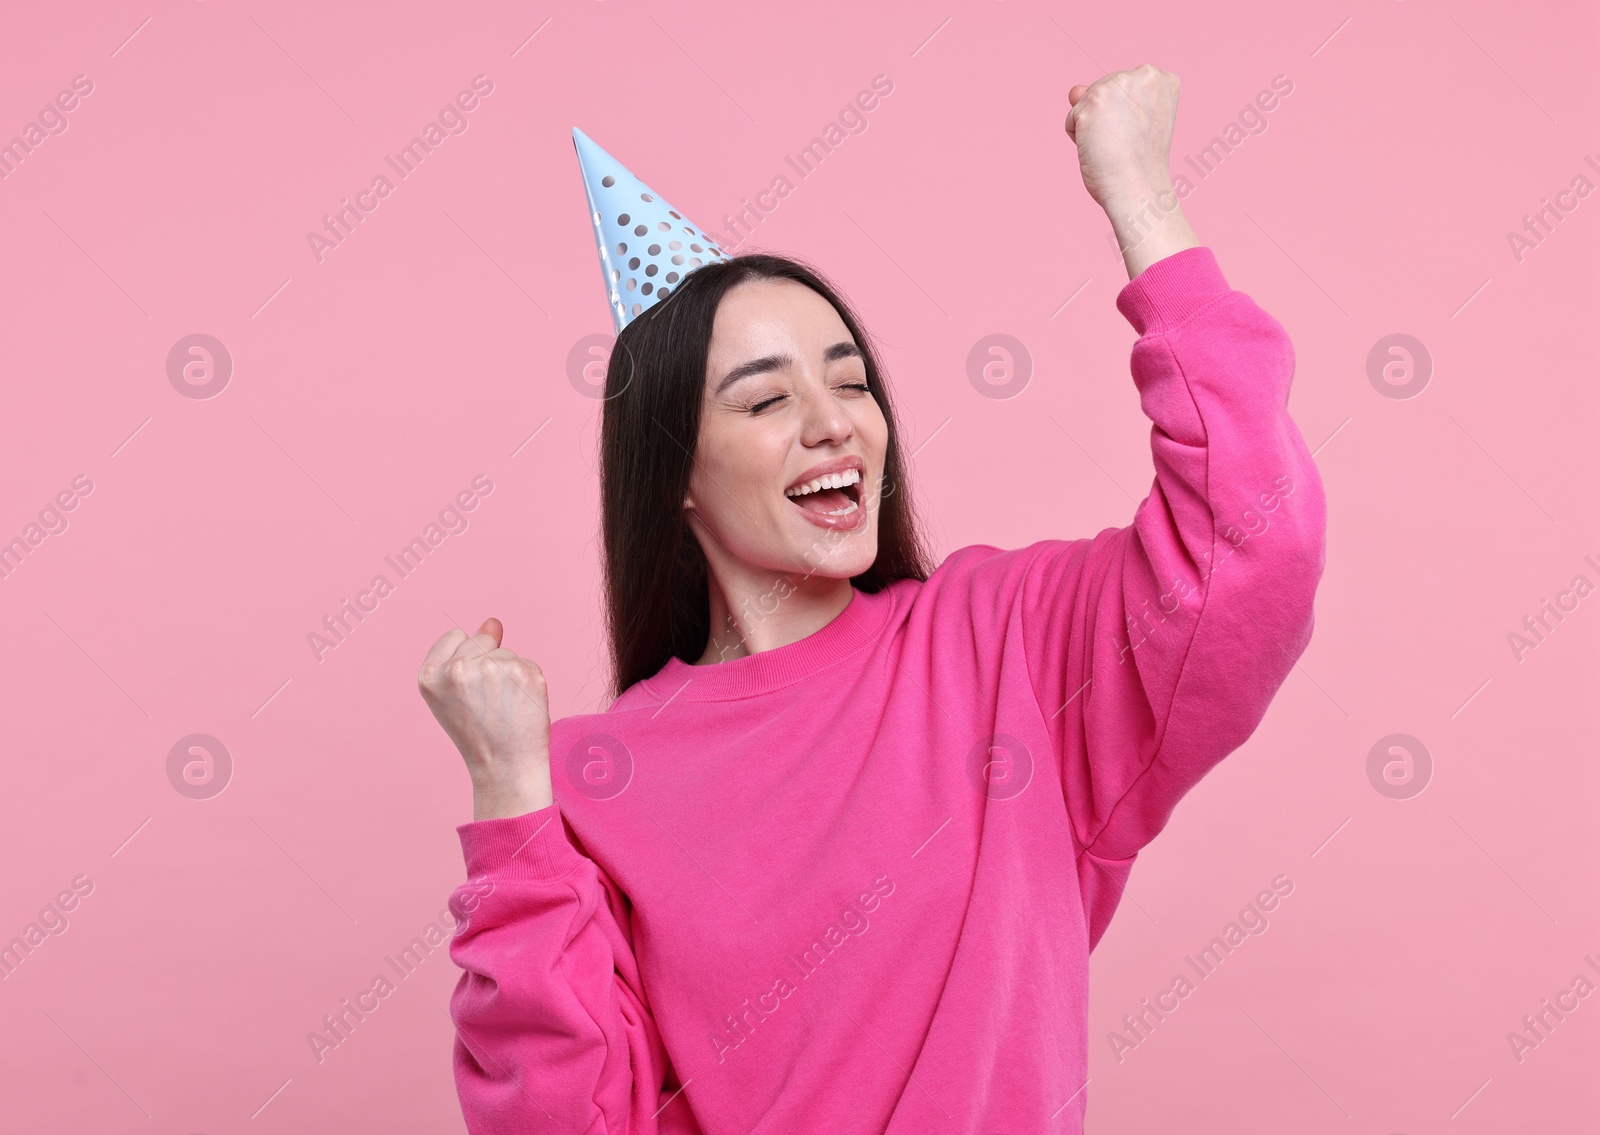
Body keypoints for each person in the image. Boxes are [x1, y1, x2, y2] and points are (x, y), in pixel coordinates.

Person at [417, 64, 1326, 1134]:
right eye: (766, 398)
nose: (832, 421)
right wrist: (512, 804)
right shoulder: (585, 782)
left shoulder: (1002, 646)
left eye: (849, 382)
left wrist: (1142, 200)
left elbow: (1252, 538)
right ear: (675, 475)